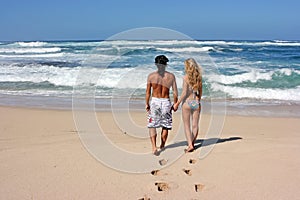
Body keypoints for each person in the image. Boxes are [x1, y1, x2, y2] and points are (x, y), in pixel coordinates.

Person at [145, 55, 178, 156]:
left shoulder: (151, 76)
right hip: (166, 102)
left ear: (156, 64)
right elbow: (175, 92)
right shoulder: (171, 76)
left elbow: (148, 93)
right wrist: (175, 103)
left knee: (152, 126)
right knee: (165, 126)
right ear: (166, 64)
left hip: (155, 102)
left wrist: (147, 104)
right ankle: (162, 145)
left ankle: (154, 147)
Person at [173, 58, 202, 153]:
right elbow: (200, 92)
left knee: (186, 125)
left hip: (187, 102)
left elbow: (184, 93)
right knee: (195, 125)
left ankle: (190, 145)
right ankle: (192, 143)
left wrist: (177, 103)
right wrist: (198, 99)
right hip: (195, 102)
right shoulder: (199, 77)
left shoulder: (186, 78)